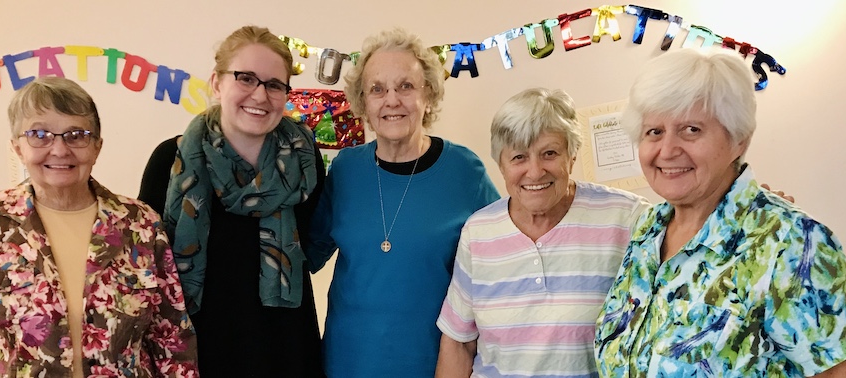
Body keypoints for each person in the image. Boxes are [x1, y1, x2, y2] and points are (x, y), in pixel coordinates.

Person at [594, 47, 846, 376]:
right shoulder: (648, 231)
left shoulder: (786, 242)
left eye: (691, 129)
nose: (667, 150)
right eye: (654, 132)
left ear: (738, 140)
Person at [0, 77, 198, 377]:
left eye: (76, 135)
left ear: (97, 147)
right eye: (39, 134)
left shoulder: (141, 225)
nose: (59, 149)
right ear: (18, 148)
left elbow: (171, 339)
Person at [306, 28, 499, 377]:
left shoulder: (464, 171)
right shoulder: (346, 169)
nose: (391, 100)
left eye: (405, 86)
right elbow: (303, 256)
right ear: (363, 102)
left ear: (428, 94)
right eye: (377, 89)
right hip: (346, 364)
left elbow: (500, 261)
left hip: (433, 365)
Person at [137, 25, 325, 377]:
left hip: (285, 345)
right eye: (246, 78)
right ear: (217, 82)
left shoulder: (305, 158)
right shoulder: (171, 160)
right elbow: (149, 268)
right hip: (199, 346)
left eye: (273, 84)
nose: (259, 94)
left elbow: (314, 242)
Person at [435, 88, 650, 377]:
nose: (535, 172)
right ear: (501, 164)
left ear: (572, 155)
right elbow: (458, 342)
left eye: (549, 153)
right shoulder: (479, 232)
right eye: (519, 157)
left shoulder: (627, 217)